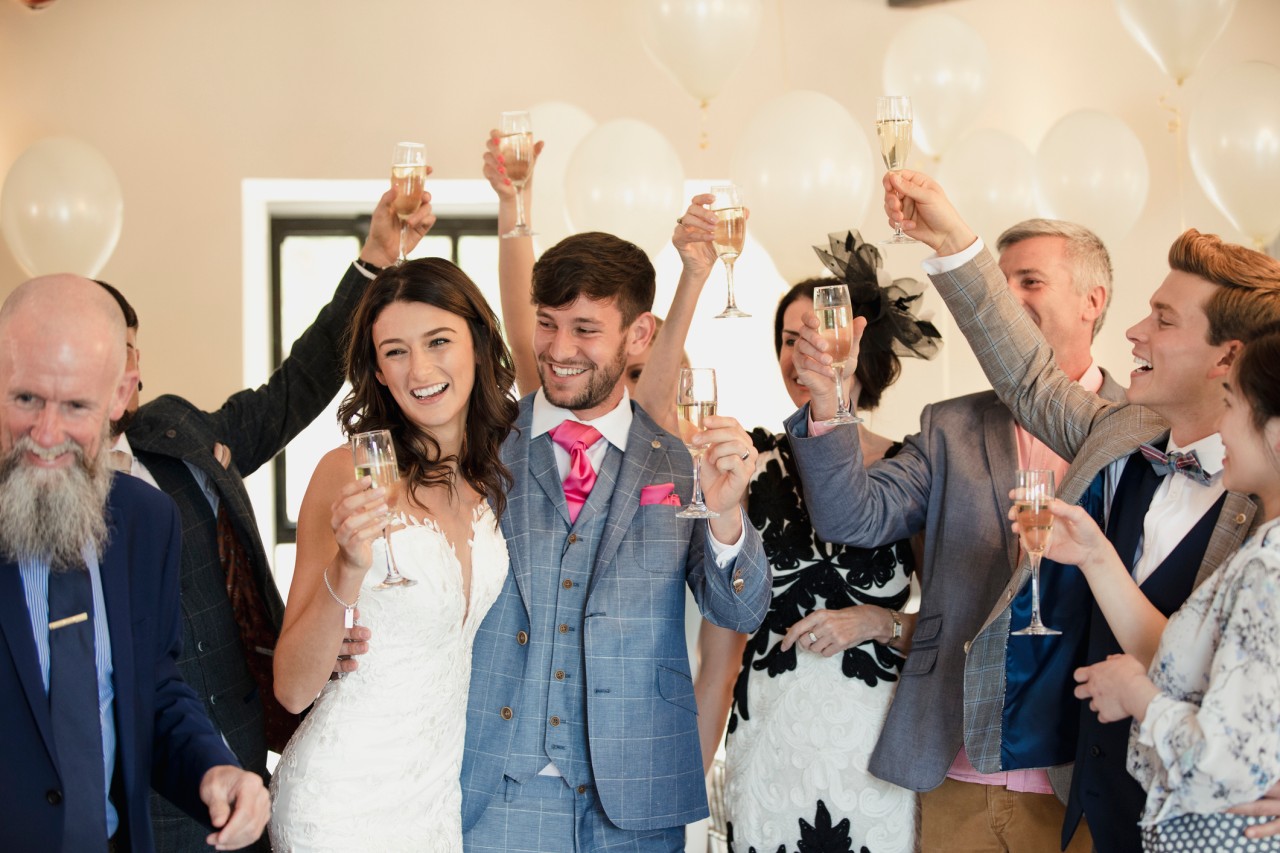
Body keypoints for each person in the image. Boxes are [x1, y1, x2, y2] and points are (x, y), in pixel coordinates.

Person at [881, 169, 1280, 851]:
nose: (1133, 332)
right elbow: (1027, 374)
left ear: (1228, 357)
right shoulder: (1122, 433)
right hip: (1084, 803)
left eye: (1162, 319)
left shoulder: (1264, 504)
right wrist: (951, 234)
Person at [96, 186, 433, 852]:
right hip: (138, 803)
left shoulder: (178, 435)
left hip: (251, 774)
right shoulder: (24, 498)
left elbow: (294, 389)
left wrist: (375, 256)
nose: (125, 370)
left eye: (130, 350)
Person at [458, 132, 770, 850]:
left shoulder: (677, 462)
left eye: (585, 329)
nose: (559, 348)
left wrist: (726, 519)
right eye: (548, 324)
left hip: (638, 799)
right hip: (500, 795)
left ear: (639, 336)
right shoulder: (484, 447)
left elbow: (740, 605)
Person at [787, 218, 1123, 852]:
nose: (1005, 300)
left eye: (1030, 281)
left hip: (1081, 774)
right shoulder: (952, 425)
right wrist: (831, 404)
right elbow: (852, 518)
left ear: (1092, 301)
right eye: (999, 285)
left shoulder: (1137, 431)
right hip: (957, 766)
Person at [638, 209, 939, 853]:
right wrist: (681, 800)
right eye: (786, 337)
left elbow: (949, 629)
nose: (798, 350)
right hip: (769, 742)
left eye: (815, 332)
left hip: (876, 752)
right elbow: (716, 661)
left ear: (859, 346)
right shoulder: (748, 464)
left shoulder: (913, 467)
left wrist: (878, 623)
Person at [0, 275, 270, 853]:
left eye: (75, 405)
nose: (45, 434)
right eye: (25, 398)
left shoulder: (148, 519)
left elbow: (152, 685)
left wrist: (211, 770)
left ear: (120, 395)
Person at [268, 256, 518, 851]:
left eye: (438, 341)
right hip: (339, 804)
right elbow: (293, 688)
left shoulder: (493, 474)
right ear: (377, 370)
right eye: (396, 351)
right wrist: (347, 567)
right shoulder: (345, 471)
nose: (420, 369)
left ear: (479, 346)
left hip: (435, 804)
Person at [1034, 325, 1280, 850]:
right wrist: (1096, 555)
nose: (1222, 425)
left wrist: (1138, 695)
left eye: (1232, 405)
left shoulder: (1268, 566)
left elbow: (1223, 764)